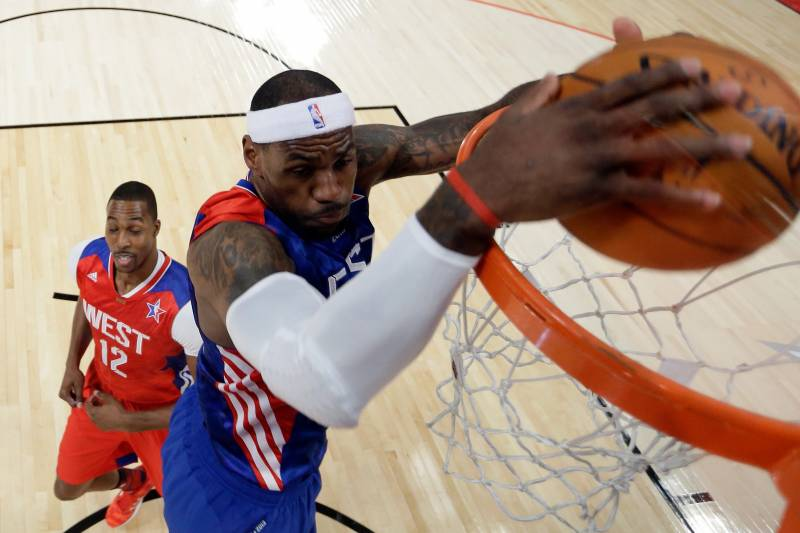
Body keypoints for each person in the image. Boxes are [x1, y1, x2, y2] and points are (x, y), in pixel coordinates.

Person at [162, 19, 751, 532]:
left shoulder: (346, 159)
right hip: (248, 484)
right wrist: (476, 199)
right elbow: (317, 377)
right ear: (251, 156)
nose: (332, 188)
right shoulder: (233, 245)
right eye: (303, 170)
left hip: (217, 420)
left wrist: (606, 85)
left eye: (342, 162)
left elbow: (484, 122)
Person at [54, 181, 202, 527]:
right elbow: (88, 300)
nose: (121, 241)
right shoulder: (88, 258)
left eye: (134, 230)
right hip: (102, 397)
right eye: (113, 228)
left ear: (155, 228)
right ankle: (132, 481)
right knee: (66, 489)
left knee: (187, 515)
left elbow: (204, 402)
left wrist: (127, 422)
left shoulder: (182, 306)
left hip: (162, 415)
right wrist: (72, 363)